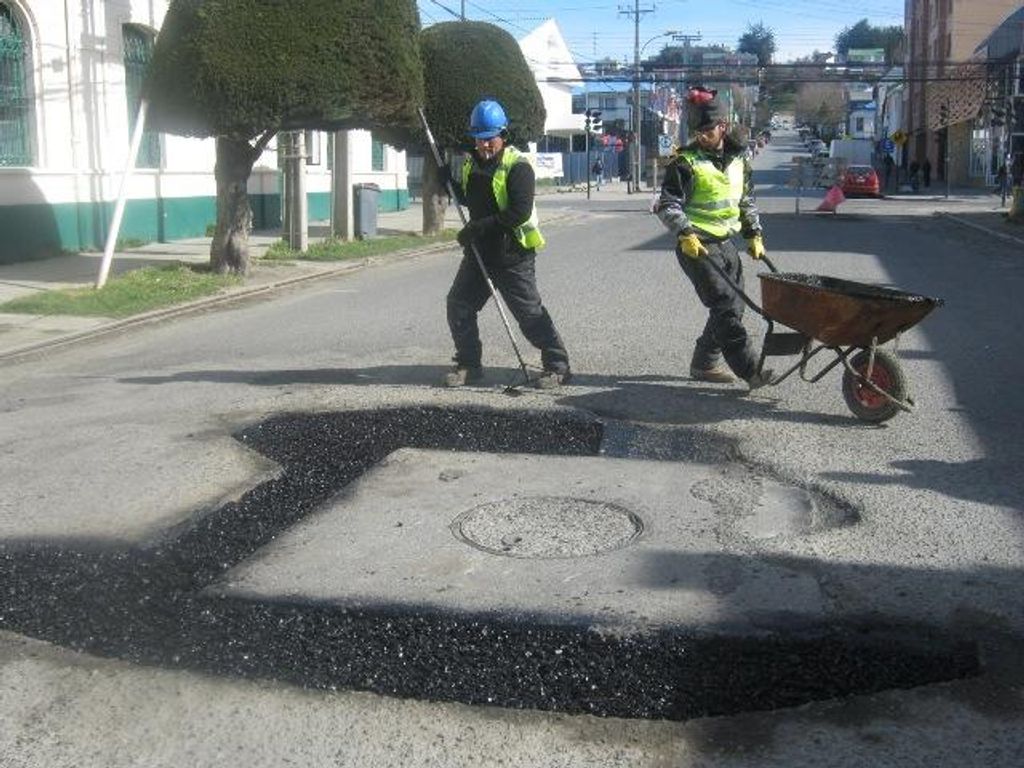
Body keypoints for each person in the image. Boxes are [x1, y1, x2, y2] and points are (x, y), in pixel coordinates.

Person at [443, 99, 571, 389]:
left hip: (513, 254)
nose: (484, 145)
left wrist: (476, 227)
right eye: (479, 139)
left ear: (502, 135)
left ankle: (558, 367)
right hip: (479, 255)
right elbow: (470, 199)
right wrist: (446, 183)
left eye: (490, 139)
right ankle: (469, 364)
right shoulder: (471, 164)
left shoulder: (518, 167)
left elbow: (519, 212)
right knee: (459, 304)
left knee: (530, 315)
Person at [652, 97, 772, 390]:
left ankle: (704, 363)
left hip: (725, 242)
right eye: (697, 132)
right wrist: (685, 233)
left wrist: (754, 234)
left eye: (707, 130)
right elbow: (667, 205)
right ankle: (751, 371)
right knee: (724, 308)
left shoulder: (740, 161)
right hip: (697, 246)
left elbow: (746, 202)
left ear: (723, 126)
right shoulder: (685, 162)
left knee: (735, 306)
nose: (701, 137)